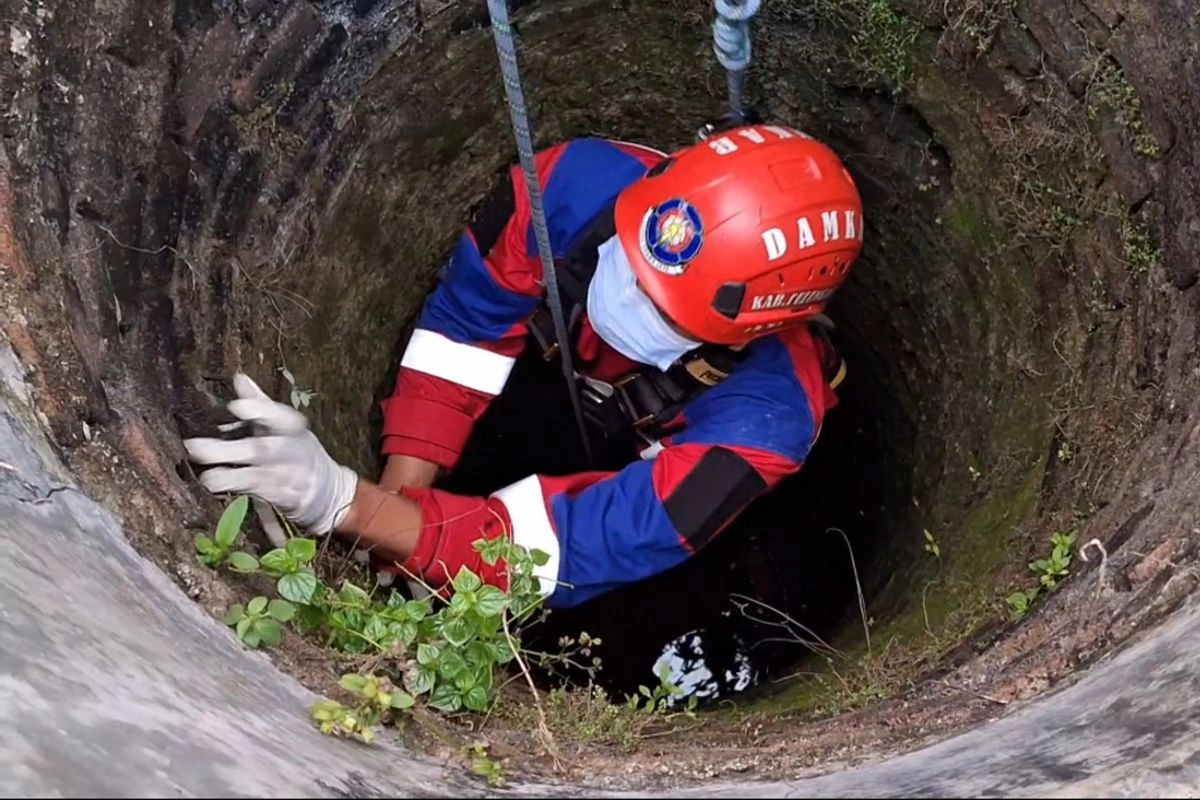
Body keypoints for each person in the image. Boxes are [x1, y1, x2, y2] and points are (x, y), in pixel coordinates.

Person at [183, 122, 865, 613]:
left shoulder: (765, 422)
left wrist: (342, 502)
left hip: (659, 432)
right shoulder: (572, 189)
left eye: (663, 310)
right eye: (628, 255)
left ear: (747, 337)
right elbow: (464, 326)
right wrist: (393, 506)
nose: (622, 288)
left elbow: (571, 547)